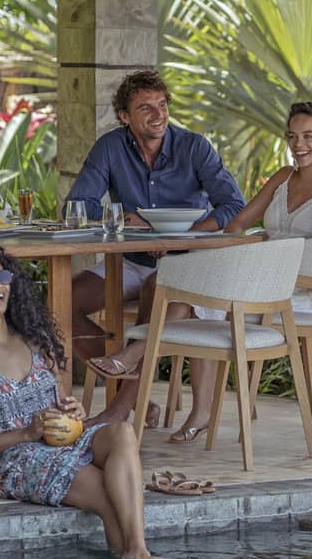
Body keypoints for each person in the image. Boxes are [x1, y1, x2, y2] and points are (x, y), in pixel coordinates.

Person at [89, 101, 312, 443]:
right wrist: (231, 248)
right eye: (293, 136)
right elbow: (239, 223)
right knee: (187, 299)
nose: (299, 145)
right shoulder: (283, 177)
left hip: (292, 290)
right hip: (254, 277)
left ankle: (132, 357)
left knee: (188, 300)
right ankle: (194, 408)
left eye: (308, 137)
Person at [0, 243, 157, 559]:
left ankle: (137, 550)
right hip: (19, 458)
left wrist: (74, 412)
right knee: (110, 494)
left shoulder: (34, 340)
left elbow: (60, 401)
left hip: (62, 442)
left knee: (122, 430)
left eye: (2, 276)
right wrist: (25, 433)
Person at [65, 69, 246, 424]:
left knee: (155, 292)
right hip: (129, 259)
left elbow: (233, 206)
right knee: (60, 304)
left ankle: (117, 411)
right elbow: (77, 206)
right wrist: (119, 216)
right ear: (124, 116)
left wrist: (184, 234)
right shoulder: (110, 147)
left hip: (186, 262)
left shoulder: (194, 147)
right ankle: (135, 390)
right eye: (145, 107)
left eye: (162, 105)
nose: (158, 114)